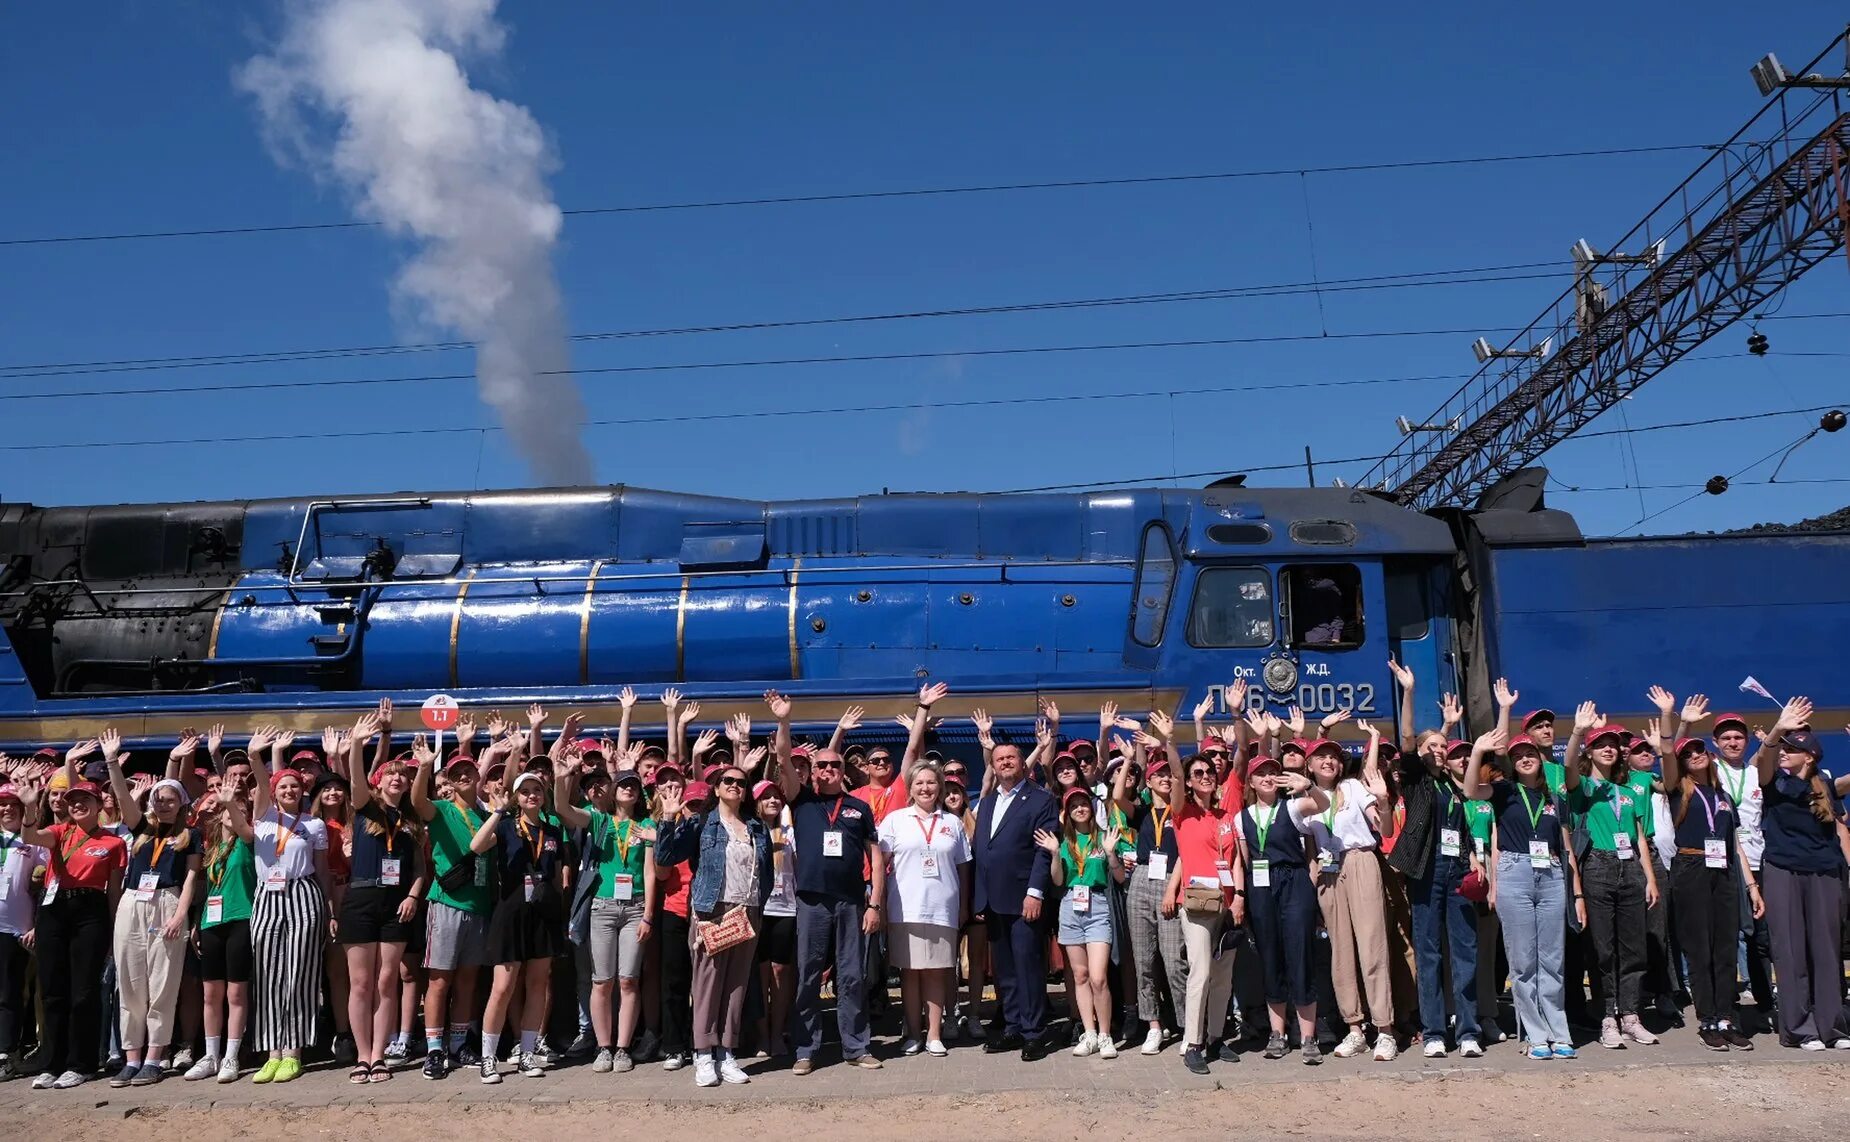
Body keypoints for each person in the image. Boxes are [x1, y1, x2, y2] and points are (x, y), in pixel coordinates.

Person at [768, 689, 887, 1075]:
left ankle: (857, 1046)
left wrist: (875, 904)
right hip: (812, 902)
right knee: (807, 975)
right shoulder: (801, 800)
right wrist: (784, 720)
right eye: (820, 766)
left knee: (852, 976)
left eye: (834, 766)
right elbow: (784, 759)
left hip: (852, 900)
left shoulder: (859, 808)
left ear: (843, 771)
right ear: (813, 772)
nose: (827, 771)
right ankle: (806, 1050)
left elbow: (876, 856)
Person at [1464, 730, 1582, 1059]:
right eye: (1517, 756)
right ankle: (1535, 1034)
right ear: (1512, 765)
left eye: (1529, 753)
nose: (1524, 758)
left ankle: (1559, 1032)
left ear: (1539, 758)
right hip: (1515, 872)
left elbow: (1566, 845)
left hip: (1552, 873)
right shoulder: (1505, 791)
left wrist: (1578, 894)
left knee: (1553, 960)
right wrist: (1478, 753)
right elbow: (1471, 790)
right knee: (1523, 961)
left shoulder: (1554, 797)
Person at [655, 759, 773, 1088]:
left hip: (747, 910)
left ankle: (727, 1053)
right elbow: (665, 858)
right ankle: (703, 1054)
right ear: (717, 789)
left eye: (741, 782)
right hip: (712, 910)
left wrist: (758, 905)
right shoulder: (703, 823)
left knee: (736, 985)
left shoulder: (757, 826)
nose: (735, 785)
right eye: (728, 781)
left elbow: (767, 872)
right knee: (708, 984)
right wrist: (667, 817)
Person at [17, 743, 128, 1089]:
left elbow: (113, 891)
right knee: (53, 990)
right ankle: (52, 1062)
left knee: (83, 991)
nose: (78, 805)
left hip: (90, 912)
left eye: (85, 801)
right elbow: (30, 835)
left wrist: (112, 930)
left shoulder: (113, 842)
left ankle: (82, 1063)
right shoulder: (60, 832)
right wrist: (30, 806)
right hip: (54, 910)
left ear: (98, 806)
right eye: (72, 801)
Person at [102, 731, 202, 1087]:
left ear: (181, 804)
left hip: (168, 901)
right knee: (129, 983)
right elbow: (122, 799)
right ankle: (131, 1057)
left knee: (163, 983)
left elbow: (191, 878)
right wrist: (112, 760)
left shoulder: (192, 834)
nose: (163, 805)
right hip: (133, 902)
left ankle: (154, 1058)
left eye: (170, 800)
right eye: (158, 800)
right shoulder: (142, 827)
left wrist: (180, 916)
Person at [1649, 719, 1756, 1050]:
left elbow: (1733, 841)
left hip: (1723, 868)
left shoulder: (1722, 795)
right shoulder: (1678, 789)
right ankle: (1707, 1019)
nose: (1695, 755)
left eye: (1699, 750)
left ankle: (1727, 1016)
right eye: (1688, 753)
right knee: (1699, 949)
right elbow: (1667, 755)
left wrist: (1751, 884)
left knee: (1725, 946)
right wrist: (1670, 719)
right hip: (1691, 866)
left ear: (1709, 756)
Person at [1749, 698, 1848, 1050]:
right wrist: (1778, 728)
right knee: (1790, 951)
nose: (1785, 752)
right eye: (1784, 748)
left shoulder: (1823, 784)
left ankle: (1833, 1028)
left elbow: (1838, 829)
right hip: (1783, 871)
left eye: (1792, 749)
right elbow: (1762, 759)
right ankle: (1800, 1029)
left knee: (1826, 951)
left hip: (1825, 872)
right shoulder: (1773, 780)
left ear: (1809, 756)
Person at [239, 727, 332, 1084]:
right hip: (267, 897)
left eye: (294, 785)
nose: (289, 790)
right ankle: (271, 1052)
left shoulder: (315, 824)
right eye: (283, 786)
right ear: (274, 793)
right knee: (267, 974)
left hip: (304, 893)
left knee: (300, 973)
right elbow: (261, 784)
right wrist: (255, 755)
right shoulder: (263, 818)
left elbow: (322, 870)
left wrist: (328, 911)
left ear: (303, 791)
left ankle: (293, 1051)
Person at [336, 712, 424, 1082]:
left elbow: (420, 868)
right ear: (380, 781)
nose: (397, 778)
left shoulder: (412, 820)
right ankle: (361, 1055)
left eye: (403, 775)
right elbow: (355, 780)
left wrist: (414, 897)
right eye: (391, 773)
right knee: (361, 983)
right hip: (360, 898)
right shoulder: (364, 808)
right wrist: (357, 744)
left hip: (395, 904)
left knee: (388, 980)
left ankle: (379, 1054)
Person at [469, 760, 568, 1082]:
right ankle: (488, 1058)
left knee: (538, 983)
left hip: (542, 913)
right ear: (516, 797)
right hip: (510, 912)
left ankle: (527, 1052)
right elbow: (476, 845)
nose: (531, 796)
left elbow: (555, 875)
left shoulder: (552, 829)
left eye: (536, 790)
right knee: (503, 987)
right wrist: (498, 811)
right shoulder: (506, 825)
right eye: (524, 791)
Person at [1566, 709, 1660, 1049]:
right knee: (1602, 948)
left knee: (1634, 948)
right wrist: (1578, 733)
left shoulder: (1629, 792)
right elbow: (1567, 770)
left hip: (1630, 869)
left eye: (1613, 745)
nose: (1608, 749)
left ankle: (1631, 1016)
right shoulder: (1584, 788)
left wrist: (1649, 878)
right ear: (1589, 752)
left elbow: (1638, 840)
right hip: (1597, 868)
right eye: (1600, 745)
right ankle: (1607, 1017)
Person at [557, 754, 657, 1074]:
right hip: (601, 907)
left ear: (639, 793)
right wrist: (562, 778)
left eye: (633, 785)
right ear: (613, 791)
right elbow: (562, 809)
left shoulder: (647, 826)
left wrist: (648, 916)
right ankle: (603, 1047)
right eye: (622, 784)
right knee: (602, 981)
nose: (628, 789)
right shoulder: (599, 819)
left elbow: (651, 873)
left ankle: (623, 1048)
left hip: (636, 908)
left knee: (628, 980)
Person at [410, 738, 502, 1080]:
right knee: (439, 979)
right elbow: (417, 801)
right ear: (450, 779)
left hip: (478, 905)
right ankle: (434, 1049)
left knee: (467, 979)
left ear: (477, 776)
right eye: (457, 772)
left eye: (469, 771)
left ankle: (459, 1044)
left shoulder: (484, 813)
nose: (464, 776)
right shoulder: (442, 808)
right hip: (446, 903)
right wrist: (423, 766)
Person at [1302, 731, 1397, 1061]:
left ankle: (1384, 1030)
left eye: (1334, 756)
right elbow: (1311, 853)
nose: (1328, 760)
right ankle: (1354, 1029)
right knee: (1340, 953)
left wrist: (1384, 802)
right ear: (1309, 764)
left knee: (1373, 947)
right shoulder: (1306, 801)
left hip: (1359, 861)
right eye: (1321, 756)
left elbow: (1383, 830)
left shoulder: (1354, 788)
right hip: (1329, 874)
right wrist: (1311, 894)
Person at [971, 737, 1059, 1062]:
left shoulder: (1040, 800)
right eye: (999, 759)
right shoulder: (989, 802)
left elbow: (1042, 852)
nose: (1005, 763)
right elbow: (984, 851)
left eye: (1011, 758)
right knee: (1004, 971)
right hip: (993, 902)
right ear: (992, 766)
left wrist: (1035, 893)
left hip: (1025, 900)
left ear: (1022, 763)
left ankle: (1034, 1033)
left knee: (1028, 968)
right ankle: (1013, 1027)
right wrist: (980, 899)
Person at [877, 760, 972, 1057]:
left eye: (931, 782)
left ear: (940, 787)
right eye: (919, 783)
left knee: (937, 972)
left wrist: (964, 905)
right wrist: (877, 904)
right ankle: (913, 1033)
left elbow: (964, 868)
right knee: (910, 973)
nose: (926, 788)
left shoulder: (952, 823)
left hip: (943, 907)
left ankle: (934, 1034)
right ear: (910, 788)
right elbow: (881, 862)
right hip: (905, 907)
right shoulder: (895, 820)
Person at [1239, 754, 1328, 1064]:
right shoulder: (1243, 817)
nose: (1266, 778)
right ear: (1250, 782)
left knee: (1301, 954)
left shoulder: (1291, 806)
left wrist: (1308, 785)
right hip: (1261, 886)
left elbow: (1322, 806)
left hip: (1293, 882)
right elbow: (1244, 859)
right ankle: (1277, 1034)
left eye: (1271, 773)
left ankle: (1308, 1036)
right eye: (1260, 774)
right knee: (1270, 958)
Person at [1162, 748, 1243, 1075]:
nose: (1205, 776)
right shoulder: (1183, 813)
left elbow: (1235, 859)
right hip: (1196, 903)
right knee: (1201, 971)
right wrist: (1169, 743)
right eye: (1198, 773)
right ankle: (1192, 1043)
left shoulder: (1225, 817)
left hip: (1226, 903)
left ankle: (1214, 1037)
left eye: (1209, 772)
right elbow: (1177, 777)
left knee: (1223, 976)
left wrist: (1239, 896)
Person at [1039, 785, 1121, 1059]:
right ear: (1067, 813)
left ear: (1091, 807)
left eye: (1083, 804)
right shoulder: (1063, 842)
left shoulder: (1104, 838)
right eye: (1073, 806)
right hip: (1070, 906)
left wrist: (1111, 854)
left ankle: (1106, 1034)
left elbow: (1120, 877)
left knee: (1099, 978)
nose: (1079, 809)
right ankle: (1089, 1033)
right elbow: (1059, 880)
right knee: (1081, 976)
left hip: (1097, 906)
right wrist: (1053, 855)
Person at [1115, 749, 1188, 1057]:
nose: (1164, 778)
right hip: (1142, 878)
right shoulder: (1142, 811)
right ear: (1149, 780)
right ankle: (1154, 1026)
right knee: (1143, 960)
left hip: (1172, 877)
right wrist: (1129, 760)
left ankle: (1187, 1026)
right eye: (1157, 774)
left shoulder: (1182, 809)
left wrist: (1173, 890)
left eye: (1167, 775)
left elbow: (1186, 852)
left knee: (1174, 961)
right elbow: (1118, 796)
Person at [187, 784, 255, 1084]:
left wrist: (231, 804)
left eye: (240, 810)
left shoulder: (250, 841)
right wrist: (197, 923)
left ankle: (232, 1055)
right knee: (210, 993)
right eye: (228, 809)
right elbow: (207, 889)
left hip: (242, 918)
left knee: (236, 992)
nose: (232, 813)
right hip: (211, 922)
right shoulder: (212, 847)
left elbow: (244, 827)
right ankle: (211, 1054)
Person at [0, 781, 46, 1083]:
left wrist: (36, 924)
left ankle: (6, 1052)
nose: (6, 810)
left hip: (15, 929)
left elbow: (45, 886)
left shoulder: (34, 843)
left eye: (12, 806)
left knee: (9, 994)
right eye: (2, 805)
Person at [754, 779, 799, 1058]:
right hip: (757, 909)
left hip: (785, 909)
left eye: (776, 797)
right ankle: (760, 1036)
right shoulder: (749, 830)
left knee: (781, 972)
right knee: (759, 974)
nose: (772, 801)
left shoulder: (791, 833)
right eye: (766, 796)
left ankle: (777, 1031)